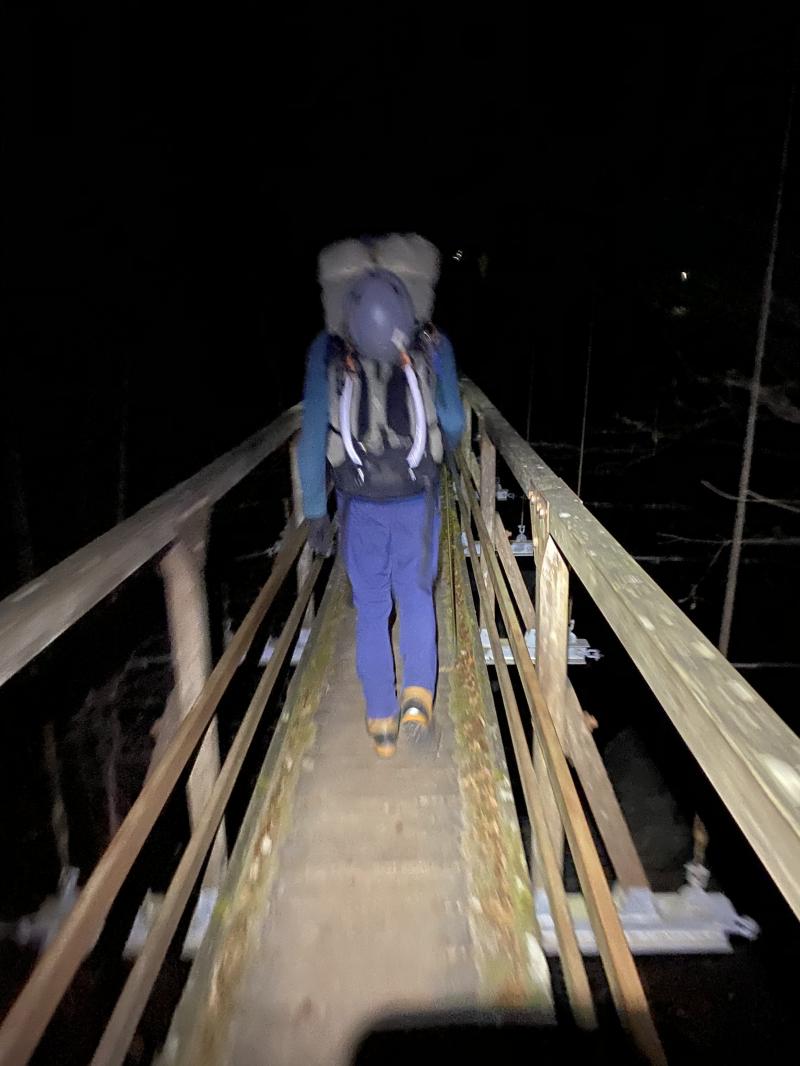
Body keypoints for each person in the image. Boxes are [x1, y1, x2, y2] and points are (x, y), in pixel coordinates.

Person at [297, 235, 464, 757]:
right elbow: (453, 420)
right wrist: (442, 452)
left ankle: (381, 722)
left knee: (371, 606)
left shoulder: (326, 350)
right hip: (416, 496)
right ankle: (418, 697)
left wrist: (316, 512)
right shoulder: (432, 343)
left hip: (359, 499)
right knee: (415, 596)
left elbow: (312, 440)